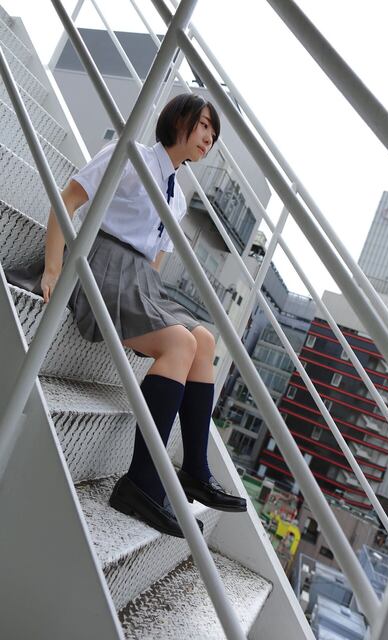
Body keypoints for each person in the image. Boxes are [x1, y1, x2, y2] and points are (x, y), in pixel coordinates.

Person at [41, 93, 247, 538]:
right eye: (204, 125)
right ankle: (141, 482)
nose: (210, 137)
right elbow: (68, 199)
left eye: (214, 132)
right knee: (181, 342)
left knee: (203, 340)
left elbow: (153, 266)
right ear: (179, 120)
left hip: (138, 281)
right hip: (100, 263)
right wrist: (54, 267)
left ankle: (195, 470)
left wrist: (150, 308)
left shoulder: (178, 198)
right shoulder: (129, 157)